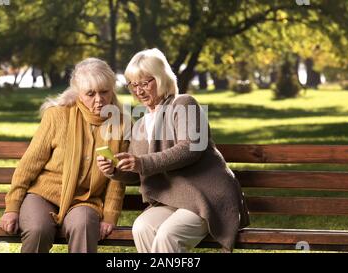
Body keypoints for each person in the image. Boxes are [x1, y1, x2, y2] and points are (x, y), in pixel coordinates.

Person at [97, 48, 250, 253]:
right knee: (141, 227)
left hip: (205, 197)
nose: (138, 90)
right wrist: (115, 170)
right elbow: (139, 172)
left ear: (161, 78)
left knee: (169, 234)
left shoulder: (184, 104)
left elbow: (189, 149)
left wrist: (141, 162)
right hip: (172, 199)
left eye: (145, 82)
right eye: (133, 84)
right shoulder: (141, 123)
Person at [0, 58, 128, 253]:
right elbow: (28, 165)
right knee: (37, 229)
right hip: (43, 195)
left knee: (83, 226)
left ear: (112, 90)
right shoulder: (57, 116)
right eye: (90, 94)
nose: (99, 99)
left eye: (104, 92)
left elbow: (117, 180)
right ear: (78, 93)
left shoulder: (122, 125)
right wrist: (12, 208)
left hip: (85, 200)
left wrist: (110, 216)